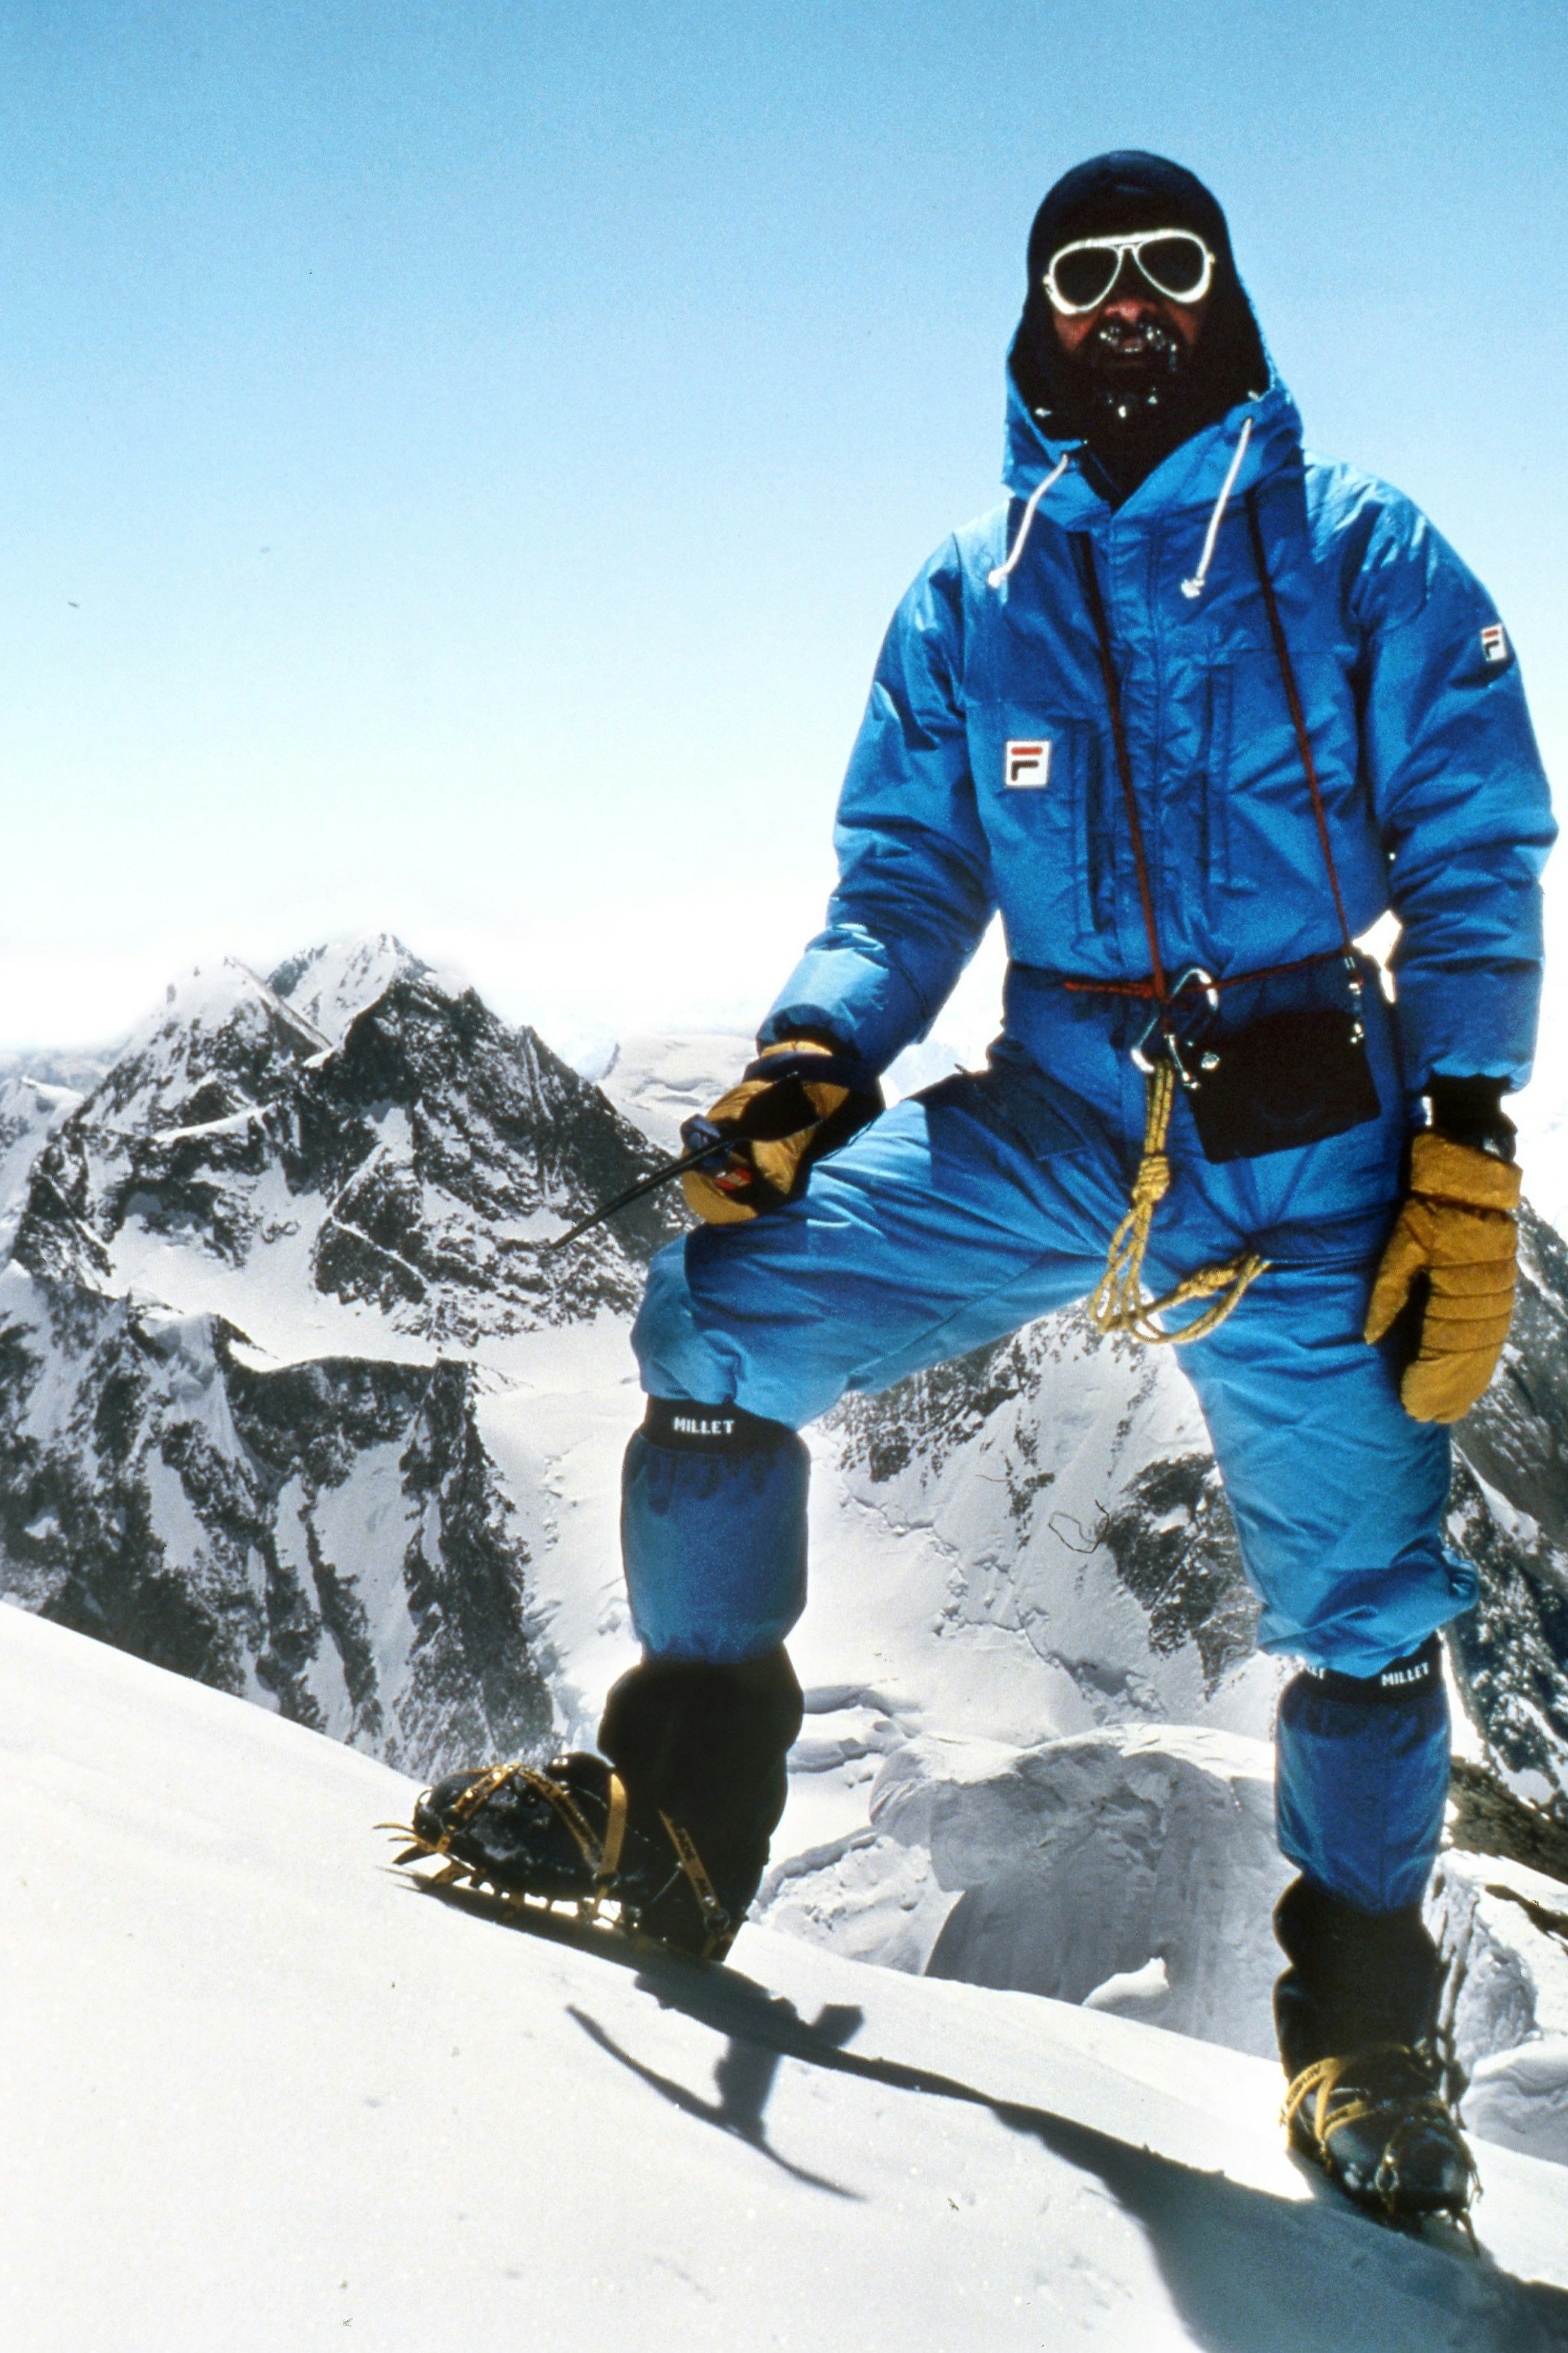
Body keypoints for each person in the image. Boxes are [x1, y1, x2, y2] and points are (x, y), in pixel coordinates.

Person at [409, 152, 1553, 2222]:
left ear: (1226, 297)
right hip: (1058, 1107)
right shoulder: (975, 588)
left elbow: (1474, 860)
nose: (1126, 307)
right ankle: (678, 1820)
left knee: (1364, 1620)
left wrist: (1463, 1146)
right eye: (1085, 275)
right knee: (719, 1317)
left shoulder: (1361, 549)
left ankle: (1364, 2039)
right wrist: (810, 1057)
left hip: (1315, 1150)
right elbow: (907, 880)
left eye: (1168, 268)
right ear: (1035, 316)